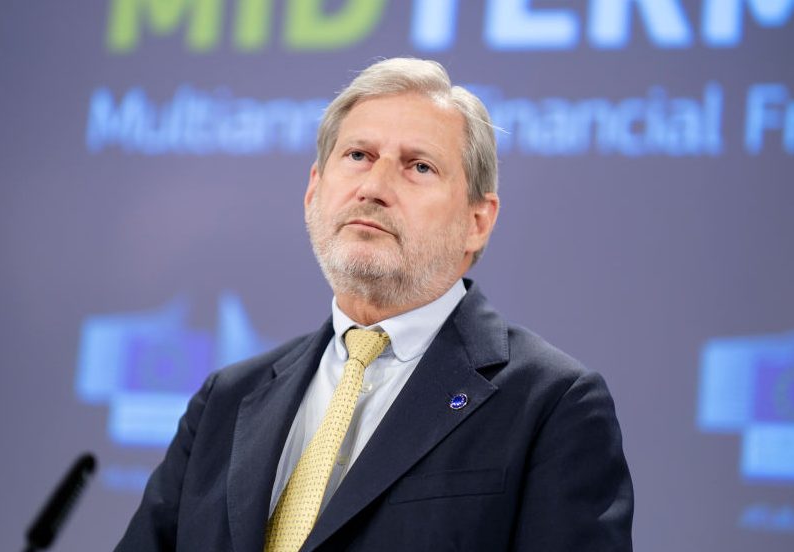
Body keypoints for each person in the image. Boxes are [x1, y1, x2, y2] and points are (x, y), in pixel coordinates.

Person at [115, 57, 633, 551]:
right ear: (314, 189)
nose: (375, 187)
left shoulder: (552, 403)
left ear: (478, 220)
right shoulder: (225, 402)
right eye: (358, 155)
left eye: (419, 167)